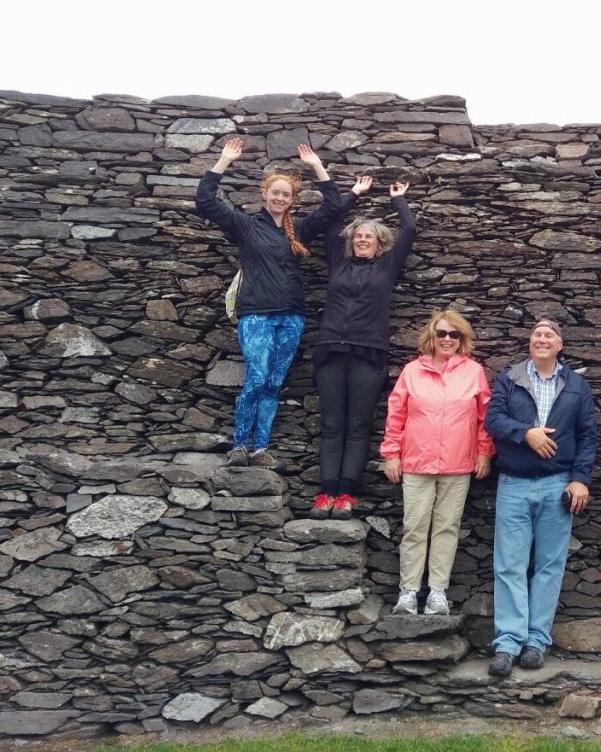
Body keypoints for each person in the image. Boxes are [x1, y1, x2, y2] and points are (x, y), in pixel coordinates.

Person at [195, 139, 347, 470]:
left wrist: (318, 167)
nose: (280, 198)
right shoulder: (246, 226)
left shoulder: (300, 231)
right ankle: (239, 446)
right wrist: (223, 161)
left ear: (292, 200)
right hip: (257, 316)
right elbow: (205, 201)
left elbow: (334, 207)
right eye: (275, 192)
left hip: (291, 317)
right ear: (264, 194)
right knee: (257, 379)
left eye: (286, 194)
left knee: (274, 383)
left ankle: (261, 448)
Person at [483, 319, 597, 677]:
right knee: (509, 565)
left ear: (560, 344)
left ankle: (535, 641)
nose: (542, 339)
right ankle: (507, 643)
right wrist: (525, 433)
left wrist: (580, 480)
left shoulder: (577, 385)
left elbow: (588, 436)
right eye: (536, 335)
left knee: (549, 566)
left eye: (549, 335)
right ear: (530, 343)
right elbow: (493, 420)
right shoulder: (510, 377)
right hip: (514, 481)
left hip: (557, 482)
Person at [307, 177, 416, 520]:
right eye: (358, 237)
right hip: (331, 352)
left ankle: (346, 494)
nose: (362, 240)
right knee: (332, 423)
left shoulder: (388, 265)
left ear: (379, 243)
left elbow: (409, 230)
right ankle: (327, 492)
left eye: (368, 237)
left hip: (369, 353)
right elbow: (332, 223)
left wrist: (398, 200)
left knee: (357, 424)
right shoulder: (338, 262)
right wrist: (353, 194)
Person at [379, 310, 494, 615]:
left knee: (447, 528)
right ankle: (408, 592)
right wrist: (391, 453)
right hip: (417, 463)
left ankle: (437, 593)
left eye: (454, 335)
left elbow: (485, 417)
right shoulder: (412, 371)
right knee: (414, 527)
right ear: (431, 336)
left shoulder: (474, 372)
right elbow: (396, 414)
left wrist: (484, 451)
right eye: (441, 333)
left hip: (458, 464)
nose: (447, 339)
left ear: (462, 340)